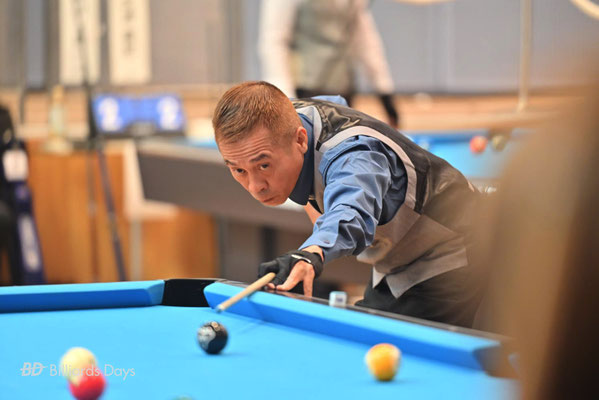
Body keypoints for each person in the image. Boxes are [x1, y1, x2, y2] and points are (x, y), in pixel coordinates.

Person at [212, 81, 481, 328]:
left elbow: (351, 211)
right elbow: (336, 101)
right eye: (238, 170)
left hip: (452, 252)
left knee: (369, 342)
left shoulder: (355, 158)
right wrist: (317, 233)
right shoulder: (288, 117)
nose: (255, 186)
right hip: (399, 261)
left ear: (300, 140)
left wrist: (311, 252)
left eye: (263, 165)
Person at [258, 0, 400, 128]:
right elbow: (274, 43)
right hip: (304, 90)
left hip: (343, 90)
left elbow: (365, 41)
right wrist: (286, 99)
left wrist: (385, 95)